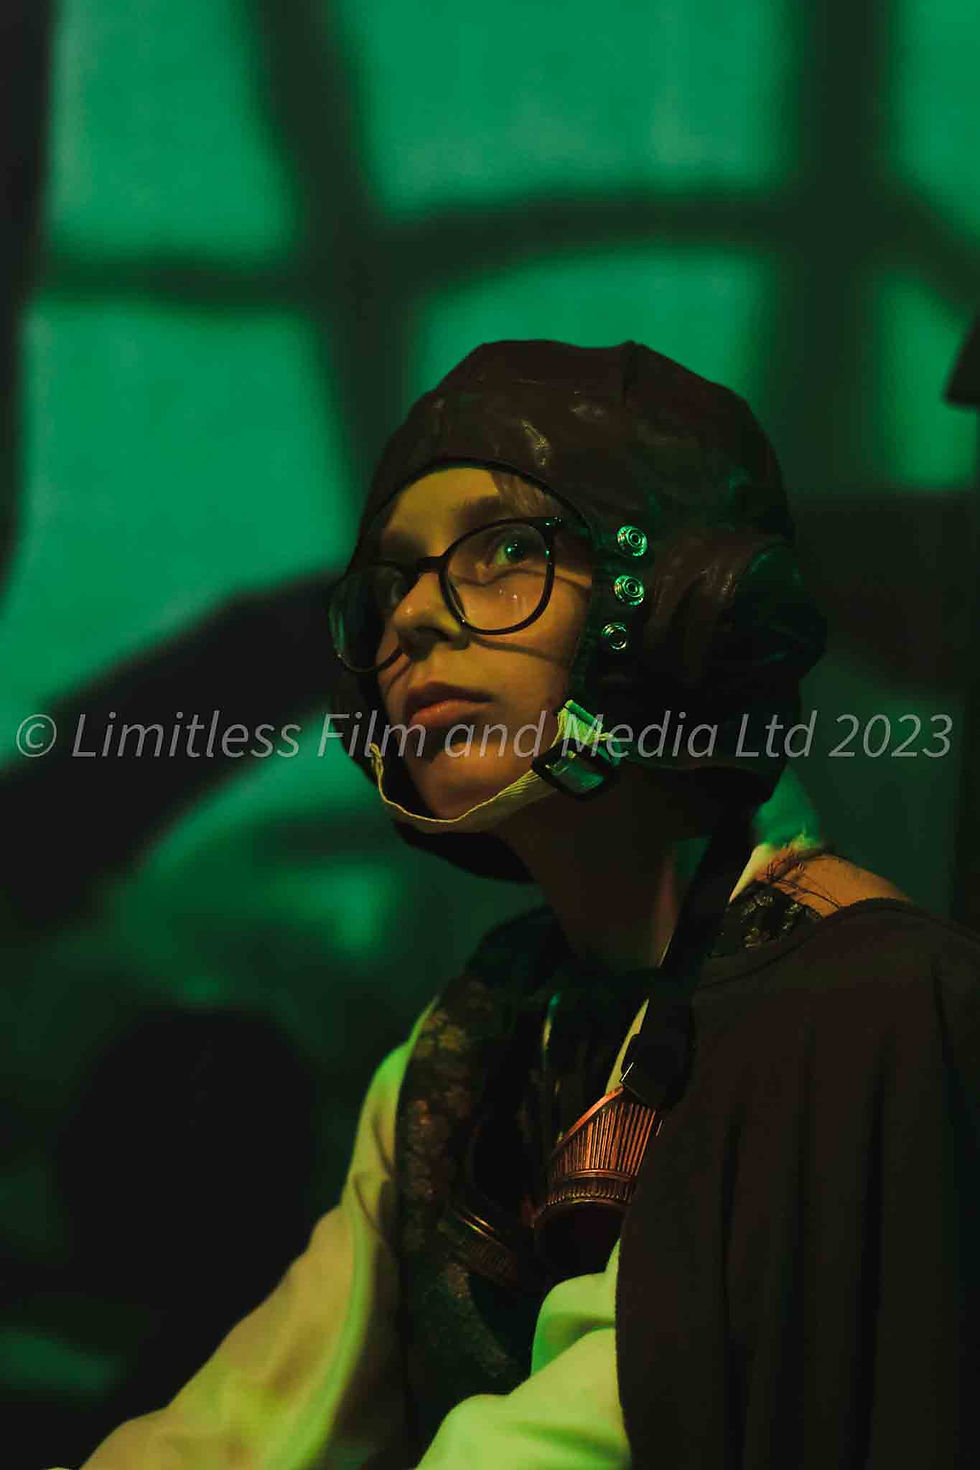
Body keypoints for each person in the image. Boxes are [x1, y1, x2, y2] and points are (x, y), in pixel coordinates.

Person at [55, 339, 980, 1469]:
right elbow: (241, 1431)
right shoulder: (466, 1048)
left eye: (503, 551)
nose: (412, 620)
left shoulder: (866, 1009)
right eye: (394, 580)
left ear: (687, 607)